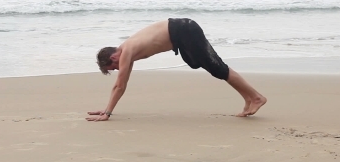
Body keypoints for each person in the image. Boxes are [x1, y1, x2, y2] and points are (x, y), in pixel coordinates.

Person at [86, 18, 267, 121]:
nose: (118, 69)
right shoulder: (128, 50)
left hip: (184, 30)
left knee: (218, 69)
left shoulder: (126, 51)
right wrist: (106, 109)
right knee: (210, 67)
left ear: (113, 57)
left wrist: (107, 113)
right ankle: (249, 98)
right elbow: (121, 84)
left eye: (114, 67)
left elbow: (119, 85)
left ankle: (256, 97)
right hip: (182, 32)